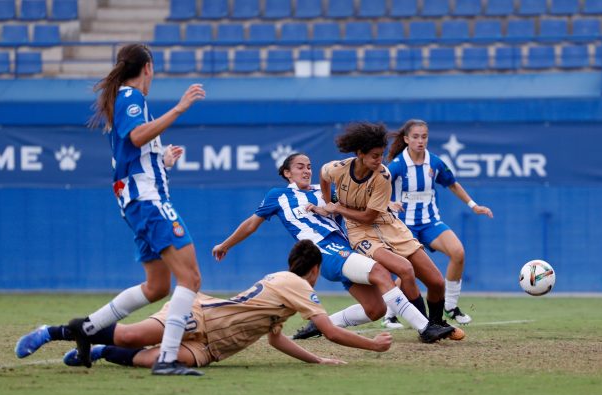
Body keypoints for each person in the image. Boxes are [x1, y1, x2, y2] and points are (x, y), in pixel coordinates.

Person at [15, 44, 207, 376]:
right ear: (148, 67)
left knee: (157, 287)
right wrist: (179, 108)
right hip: (148, 202)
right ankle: (167, 359)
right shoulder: (131, 97)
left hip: (138, 201)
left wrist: (163, 160)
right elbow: (135, 137)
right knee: (190, 277)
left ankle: (80, 330)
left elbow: (133, 153)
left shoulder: (124, 99)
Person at [211, 153, 455, 344]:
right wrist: (225, 245)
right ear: (287, 173)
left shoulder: (325, 191)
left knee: (376, 309)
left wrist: (388, 202)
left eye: (308, 166)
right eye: (299, 166)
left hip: (347, 250)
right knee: (382, 273)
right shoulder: (278, 195)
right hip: (324, 250)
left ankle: (323, 324)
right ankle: (425, 327)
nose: (306, 170)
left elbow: (358, 203)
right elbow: (251, 224)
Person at [51, 241, 391, 369]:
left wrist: (316, 359)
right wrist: (372, 346)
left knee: (151, 359)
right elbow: (329, 331)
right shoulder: (298, 285)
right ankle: (61, 332)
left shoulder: (285, 288)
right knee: (130, 337)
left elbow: (275, 338)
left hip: (215, 348)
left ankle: (98, 352)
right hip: (201, 317)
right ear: (314, 270)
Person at [315, 122, 464, 337]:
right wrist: (328, 202)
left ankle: (437, 322)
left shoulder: (382, 176)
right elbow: (323, 175)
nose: (380, 160)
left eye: (381, 154)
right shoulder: (339, 168)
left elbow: (370, 215)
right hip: (361, 232)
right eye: (375, 155)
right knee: (404, 268)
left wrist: (337, 208)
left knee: (436, 282)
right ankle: (426, 329)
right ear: (360, 153)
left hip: (388, 224)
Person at [381, 119, 493, 327]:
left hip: (431, 223)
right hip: (404, 227)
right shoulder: (397, 165)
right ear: (406, 139)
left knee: (458, 252)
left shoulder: (435, 162)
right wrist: (388, 203)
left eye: (424, 136)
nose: (420, 141)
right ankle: (389, 314)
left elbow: (453, 184)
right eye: (415, 137)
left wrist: (473, 205)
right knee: (407, 270)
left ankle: (450, 306)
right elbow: (379, 188)